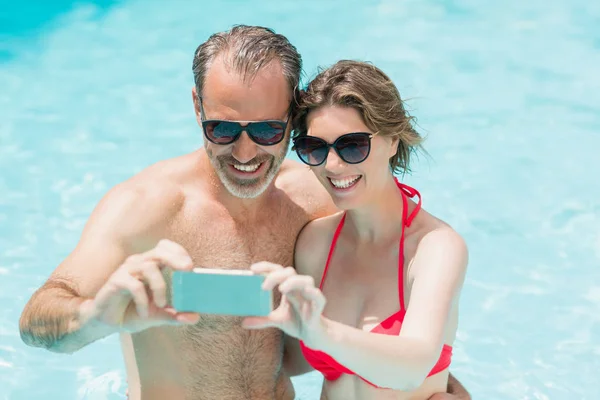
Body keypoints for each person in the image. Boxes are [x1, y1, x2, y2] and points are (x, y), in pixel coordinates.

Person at [18, 26, 470, 400]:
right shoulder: (145, 209)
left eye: (268, 129)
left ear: (292, 119)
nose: (245, 151)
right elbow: (37, 321)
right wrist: (99, 315)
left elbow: (398, 328)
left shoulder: (315, 203)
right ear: (197, 108)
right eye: (223, 128)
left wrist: (447, 389)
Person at [242, 60, 469, 400]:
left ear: (393, 140)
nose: (332, 165)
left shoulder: (435, 248)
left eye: (352, 146)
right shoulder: (316, 243)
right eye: (315, 149)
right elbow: (286, 362)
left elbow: (413, 367)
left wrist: (322, 333)